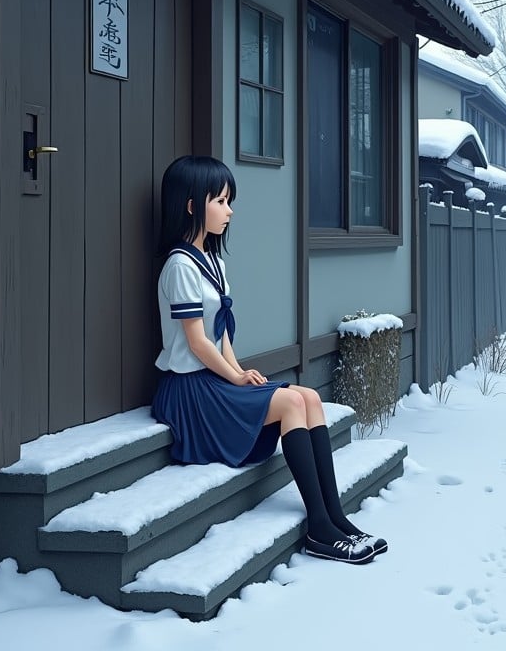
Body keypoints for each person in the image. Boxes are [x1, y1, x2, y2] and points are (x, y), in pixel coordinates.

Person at [151, 155, 386, 565]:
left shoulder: (215, 264)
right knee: (292, 402)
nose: (229, 211)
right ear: (192, 205)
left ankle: (334, 518)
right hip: (189, 392)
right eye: (221, 201)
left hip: (214, 381)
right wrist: (235, 379)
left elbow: (220, 336)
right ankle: (320, 527)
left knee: (309, 397)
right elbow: (198, 343)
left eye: (229, 201)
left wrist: (239, 372)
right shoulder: (179, 266)